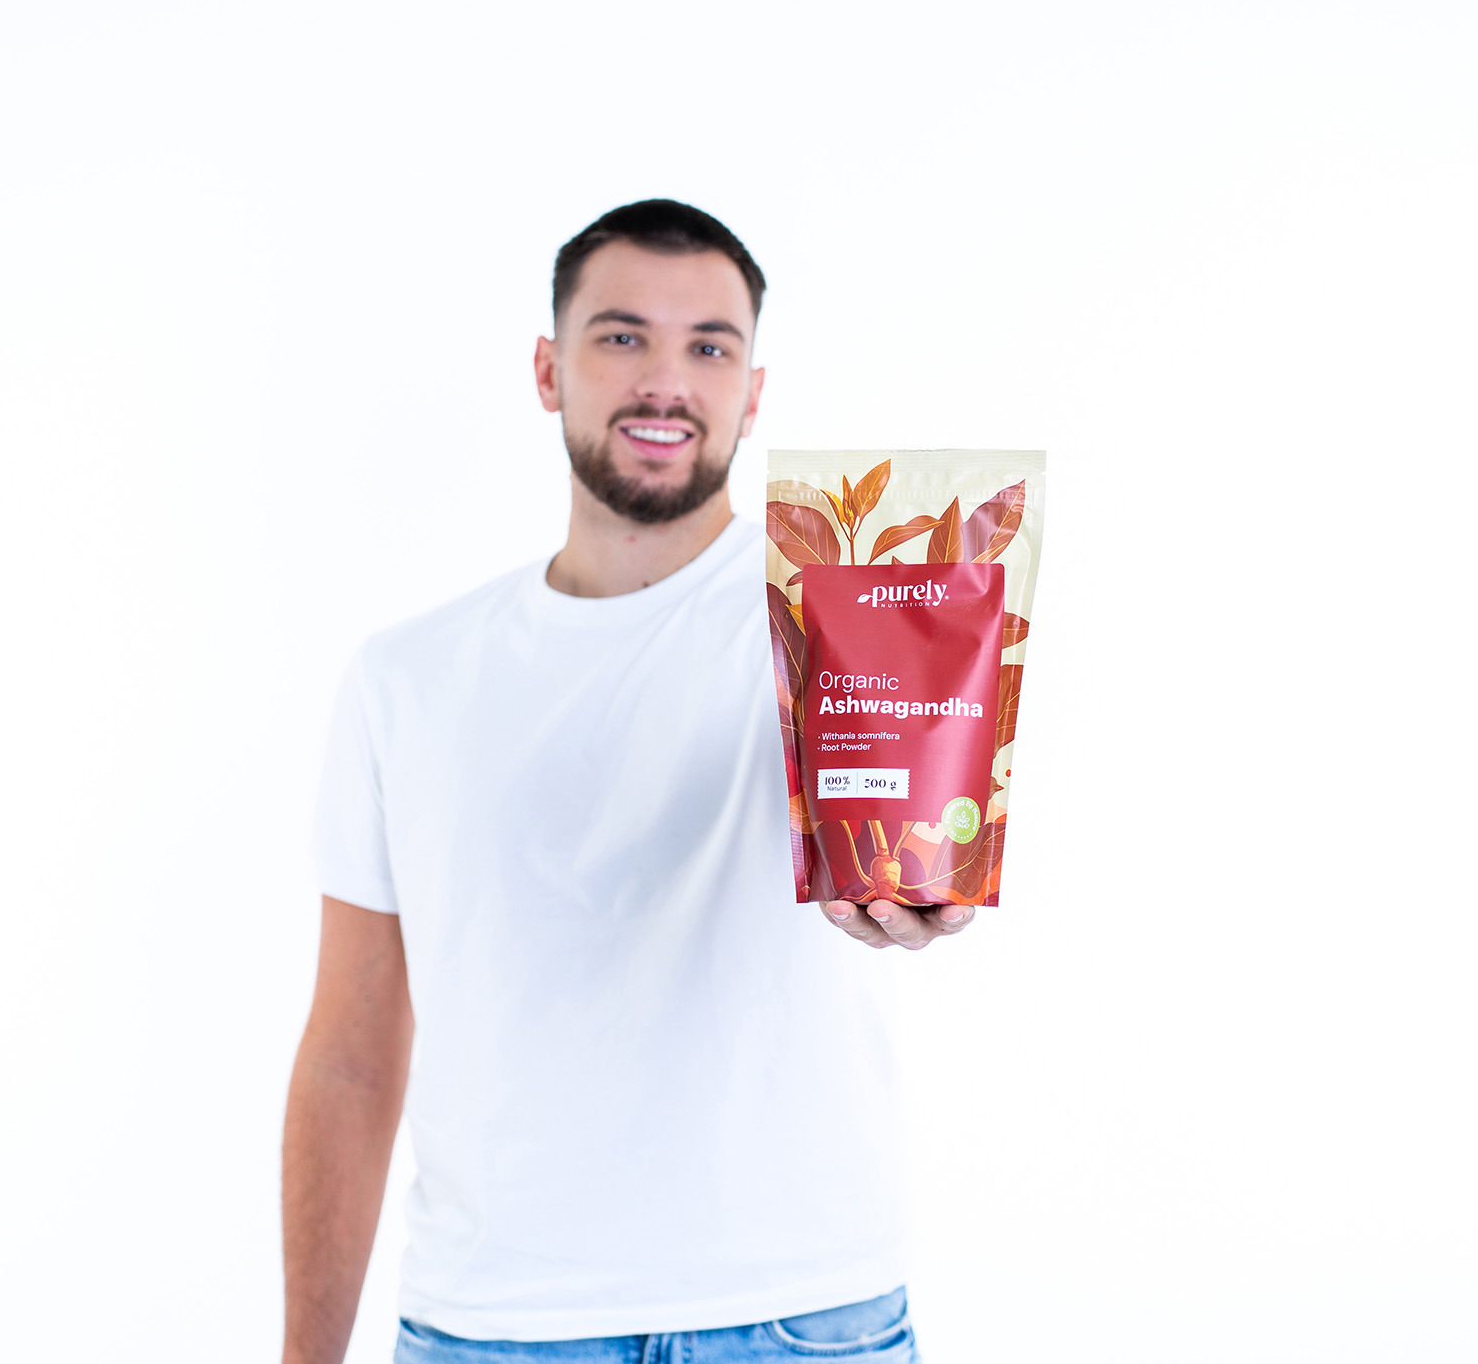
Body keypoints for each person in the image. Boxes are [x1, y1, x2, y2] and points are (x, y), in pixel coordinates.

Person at [283, 200, 975, 1364]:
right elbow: (351, 1052)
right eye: (621, 336)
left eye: (709, 345)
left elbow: (916, 842)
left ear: (754, 391)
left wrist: (918, 891)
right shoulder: (408, 678)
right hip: (493, 1326)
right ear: (547, 369)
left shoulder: (843, 629)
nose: (667, 381)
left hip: (801, 1316)